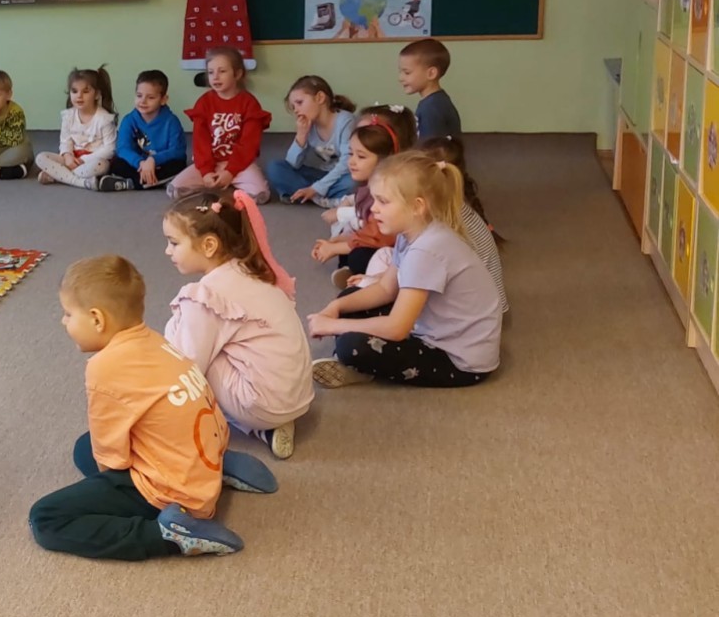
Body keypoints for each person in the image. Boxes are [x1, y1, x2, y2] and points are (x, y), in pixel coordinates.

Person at [27, 255, 276, 560]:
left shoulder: (104, 368)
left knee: (46, 518)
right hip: (202, 452)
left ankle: (170, 536)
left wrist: (111, 487)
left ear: (96, 319)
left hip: (173, 489)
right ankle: (216, 466)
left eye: (68, 314)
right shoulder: (154, 339)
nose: (63, 321)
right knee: (83, 447)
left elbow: (111, 459)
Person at [307, 151, 502, 388]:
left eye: (383, 201)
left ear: (417, 207)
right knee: (349, 298)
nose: (373, 209)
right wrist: (335, 307)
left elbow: (397, 328)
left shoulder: (426, 251)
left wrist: (334, 325)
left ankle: (357, 365)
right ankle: (356, 361)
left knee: (352, 345)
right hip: (432, 326)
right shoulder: (411, 233)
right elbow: (385, 289)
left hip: (460, 361)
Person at [162, 190, 312, 459]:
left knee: (193, 353)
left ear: (209, 245)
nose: (167, 251)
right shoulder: (251, 269)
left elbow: (186, 366)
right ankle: (265, 428)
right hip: (299, 396)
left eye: (174, 243)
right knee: (211, 337)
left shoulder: (206, 296)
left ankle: (248, 423)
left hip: (263, 404)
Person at [312, 105, 415, 286]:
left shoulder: (389, 191)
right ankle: (349, 270)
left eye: (360, 156)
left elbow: (377, 237)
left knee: (359, 256)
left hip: (391, 247)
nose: (351, 161)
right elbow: (365, 227)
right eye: (351, 154)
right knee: (347, 236)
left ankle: (366, 277)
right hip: (374, 237)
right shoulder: (369, 185)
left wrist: (336, 247)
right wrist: (341, 240)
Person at [418, 136, 507, 315]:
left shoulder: (447, 227)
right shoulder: (456, 210)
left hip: (474, 316)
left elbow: (422, 277)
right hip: (484, 308)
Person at [169, 47, 272, 202]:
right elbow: (200, 142)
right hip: (211, 163)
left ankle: (226, 183)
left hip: (239, 165)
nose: (215, 77)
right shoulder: (204, 103)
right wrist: (206, 172)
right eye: (211, 72)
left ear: (237, 74)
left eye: (222, 71)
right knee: (175, 190)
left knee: (260, 195)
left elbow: (249, 144)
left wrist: (230, 171)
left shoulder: (249, 103)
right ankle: (216, 182)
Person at [269, 75, 357, 206]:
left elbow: (347, 162)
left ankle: (309, 196)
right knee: (275, 168)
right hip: (322, 174)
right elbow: (292, 164)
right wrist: (301, 136)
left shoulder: (346, 121)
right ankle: (324, 198)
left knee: (353, 182)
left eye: (299, 103)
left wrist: (316, 188)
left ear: (320, 98)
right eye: (293, 107)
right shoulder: (309, 125)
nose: (296, 110)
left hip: (343, 174)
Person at [99, 70, 187, 192]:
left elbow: (177, 151)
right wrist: (140, 163)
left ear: (163, 99)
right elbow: (123, 148)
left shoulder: (171, 121)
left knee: (179, 165)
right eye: (139, 95)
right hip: (139, 165)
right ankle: (155, 181)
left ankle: (131, 183)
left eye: (150, 97)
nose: (143, 101)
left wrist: (153, 160)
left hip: (161, 163)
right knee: (117, 163)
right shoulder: (129, 120)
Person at [36, 66, 117, 190]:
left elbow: (110, 149)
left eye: (85, 91)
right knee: (41, 158)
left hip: (93, 160)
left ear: (97, 94)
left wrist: (84, 160)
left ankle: (58, 175)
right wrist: (67, 156)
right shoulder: (68, 116)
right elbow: (65, 142)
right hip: (72, 159)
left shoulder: (104, 119)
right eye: (74, 91)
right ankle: (81, 182)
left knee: (102, 165)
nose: (79, 96)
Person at [400, 38, 462, 140]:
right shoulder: (435, 101)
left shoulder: (431, 108)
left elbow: (430, 146)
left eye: (407, 72)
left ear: (431, 73)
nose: (400, 78)